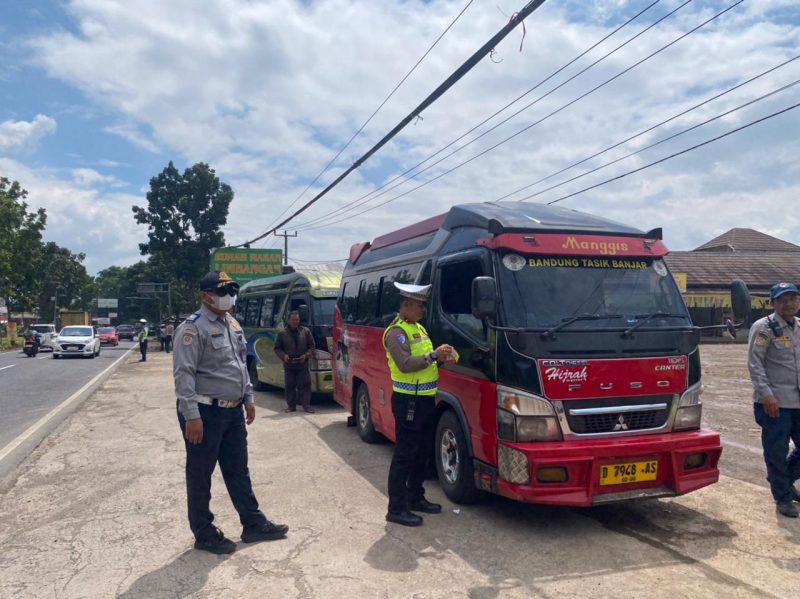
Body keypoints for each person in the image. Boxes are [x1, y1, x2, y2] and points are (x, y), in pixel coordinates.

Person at [173, 270, 288, 554]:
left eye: (230, 292)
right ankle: (204, 532)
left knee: (238, 469)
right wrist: (192, 416)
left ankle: (252, 523)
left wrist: (248, 398)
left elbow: (239, 364)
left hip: (233, 411)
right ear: (205, 296)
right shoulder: (191, 329)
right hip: (204, 411)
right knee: (200, 473)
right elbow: (183, 375)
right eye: (222, 292)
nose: (228, 298)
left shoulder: (232, 324)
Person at [383, 282, 454, 527]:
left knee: (422, 452)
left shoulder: (419, 329)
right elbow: (405, 364)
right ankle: (396, 507)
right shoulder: (396, 333)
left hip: (425, 399)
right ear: (406, 306)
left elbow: (426, 364)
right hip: (408, 401)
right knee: (405, 454)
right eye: (419, 306)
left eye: (423, 305)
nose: (423, 310)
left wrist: (441, 359)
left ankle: (415, 497)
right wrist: (433, 355)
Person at [748, 282, 800, 518]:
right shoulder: (764, 328)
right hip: (774, 403)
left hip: (797, 401)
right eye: (783, 299)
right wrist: (767, 394)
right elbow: (755, 364)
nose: (789, 303)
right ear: (774, 303)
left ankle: (784, 479)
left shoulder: (799, 327)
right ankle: (783, 497)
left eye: (793, 298)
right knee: (776, 451)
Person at [274, 311, 316, 413]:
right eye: (293, 320)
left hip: (302, 364)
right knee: (290, 385)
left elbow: (312, 346)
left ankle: (306, 406)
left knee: (305, 385)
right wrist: (284, 356)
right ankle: (291, 407)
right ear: (289, 321)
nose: (295, 322)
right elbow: (277, 348)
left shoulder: (305, 331)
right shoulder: (282, 333)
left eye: (297, 320)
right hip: (289, 365)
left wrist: (306, 355)